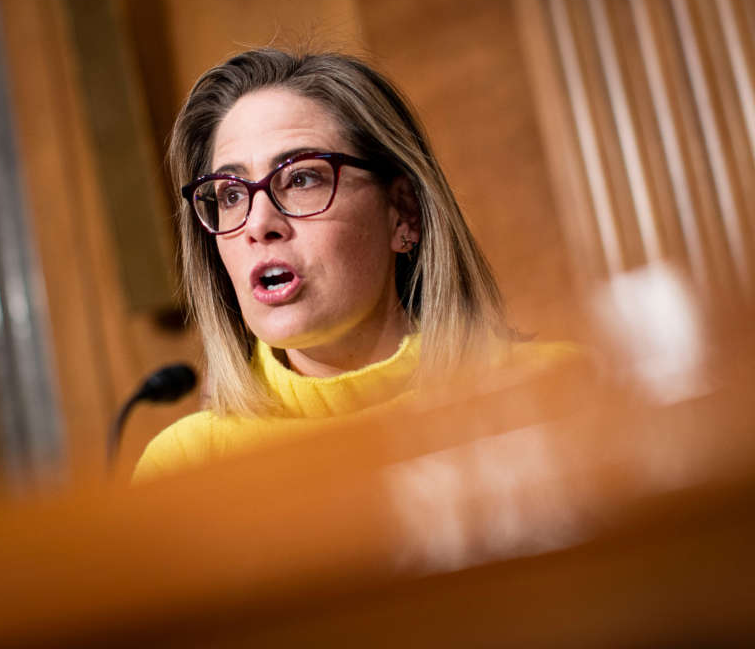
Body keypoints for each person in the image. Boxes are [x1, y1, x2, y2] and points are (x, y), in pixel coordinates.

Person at [133, 49, 575, 482]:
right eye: (231, 194)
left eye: (302, 178)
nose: (258, 223)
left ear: (404, 213)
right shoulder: (187, 465)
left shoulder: (559, 391)